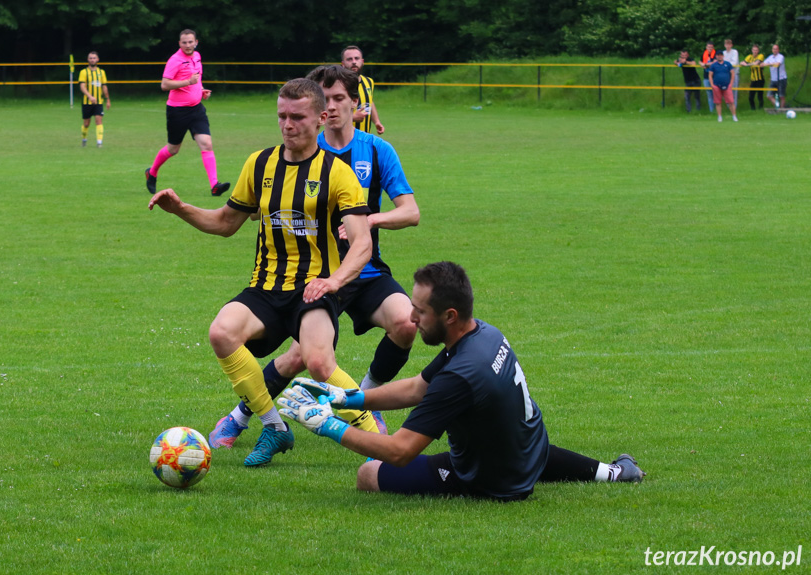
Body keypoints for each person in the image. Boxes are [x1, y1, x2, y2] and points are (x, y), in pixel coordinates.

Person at [148, 78, 380, 467]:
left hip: (315, 288)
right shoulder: (260, 164)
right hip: (267, 286)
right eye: (281, 116)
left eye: (297, 117)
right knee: (222, 332)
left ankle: (377, 442)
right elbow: (225, 222)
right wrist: (182, 209)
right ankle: (275, 427)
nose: (288, 125)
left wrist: (334, 282)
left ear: (321, 118)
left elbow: (362, 243)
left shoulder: (338, 173)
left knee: (320, 363)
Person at [278, 261, 646, 501]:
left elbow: (401, 451)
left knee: (368, 475)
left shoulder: (460, 377)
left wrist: (327, 426)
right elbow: (417, 388)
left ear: (449, 315)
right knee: (516, 440)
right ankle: (614, 473)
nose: (411, 317)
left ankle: (600, 474)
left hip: (491, 480)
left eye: (420, 311)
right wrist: (348, 398)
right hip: (528, 448)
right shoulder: (482, 334)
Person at [210, 65, 420, 446]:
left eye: (341, 98)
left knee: (407, 323)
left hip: (363, 271)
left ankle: (365, 396)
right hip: (309, 277)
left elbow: (411, 211)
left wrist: (369, 219)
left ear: (355, 105)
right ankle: (241, 417)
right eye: (330, 99)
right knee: (301, 357)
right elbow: (257, 211)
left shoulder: (375, 150)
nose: (336, 106)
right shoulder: (298, 151)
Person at [145, 29, 229, 197]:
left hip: (196, 109)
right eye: (184, 42)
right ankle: (152, 172)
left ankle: (214, 185)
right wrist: (188, 82)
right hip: (177, 112)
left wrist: (201, 89)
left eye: (191, 42)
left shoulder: (197, 56)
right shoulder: (175, 60)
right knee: (173, 149)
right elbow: (164, 85)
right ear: (179, 44)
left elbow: (197, 79)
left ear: (196, 42)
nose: (188, 45)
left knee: (206, 143)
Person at [341, 46, 384, 135]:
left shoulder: (369, 82)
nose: (353, 62)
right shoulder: (338, 85)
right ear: (343, 64)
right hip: (344, 139)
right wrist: (352, 117)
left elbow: (370, 101)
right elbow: (330, 112)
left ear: (362, 61)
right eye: (349, 59)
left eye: (356, 58)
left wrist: (377, 122)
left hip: (365, 137)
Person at [78, 51, 110, 148]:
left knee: (98, 120)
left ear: (98, 59)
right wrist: (90, 96)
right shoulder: (83, 72)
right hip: (86, 102)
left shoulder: (101, 72)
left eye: (94, 58)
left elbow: (104, 86)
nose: (92, 60)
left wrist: (108, 99)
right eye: (90, 58)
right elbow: (82, 86)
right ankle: (84, 139)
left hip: (98, 102)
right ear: (88, 60)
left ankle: (99, 143)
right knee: (86, 124)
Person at [709, 50, 738, 122]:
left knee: (731, 101)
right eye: (718, 55)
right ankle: (719, 117)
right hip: (717, 86)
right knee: (718, 102)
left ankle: (734, 116)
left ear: (723, 56)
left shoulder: (727, 64)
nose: (720, 56)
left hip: (727, 85)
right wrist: (712, 85)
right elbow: (710, 75)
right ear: (716, 56)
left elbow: (732, 73)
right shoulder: (713, 65)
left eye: (721, 55)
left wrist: (731, 84)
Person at [741, 44, 766, 110]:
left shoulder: (761, 56)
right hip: (753, 79)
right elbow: (742, 62)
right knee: (751, 96)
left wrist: (747, 64)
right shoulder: (749, 56)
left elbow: (756, 63)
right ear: (752, 50)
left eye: (756, 50)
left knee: (759, 95)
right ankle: (753, 109)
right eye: (754, 50)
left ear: (758, 51)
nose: (755, 51)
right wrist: (744, 63)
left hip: (760, 79)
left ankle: (760, 108)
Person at [763, 44, 787, 109]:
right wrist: (769, 64)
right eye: (774, 49)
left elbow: (777, 64)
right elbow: (763, 64)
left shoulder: (781, 56)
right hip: (773, 79)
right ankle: (778, 107)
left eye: (776, 49)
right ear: (772, 50)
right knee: (769, 95)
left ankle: (782, 110)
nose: (775, 50)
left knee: (781, 96)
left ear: (778, 50)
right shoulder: (770, 57)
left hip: (781, 78)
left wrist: (769, 64)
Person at [701, 42, 717, 112]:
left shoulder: (716, 54)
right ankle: (712, 111)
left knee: (716, 94)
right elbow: (700, 61)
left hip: (714, 77)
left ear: (713, 48)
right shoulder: (704, 54)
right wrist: (702, 64)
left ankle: (718, 110)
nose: (709, 48)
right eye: (708, 47)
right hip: (706, 77)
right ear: (706, 47)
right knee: (709, 94)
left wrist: (706, 64)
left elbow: (715, 62)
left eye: (711, 47)